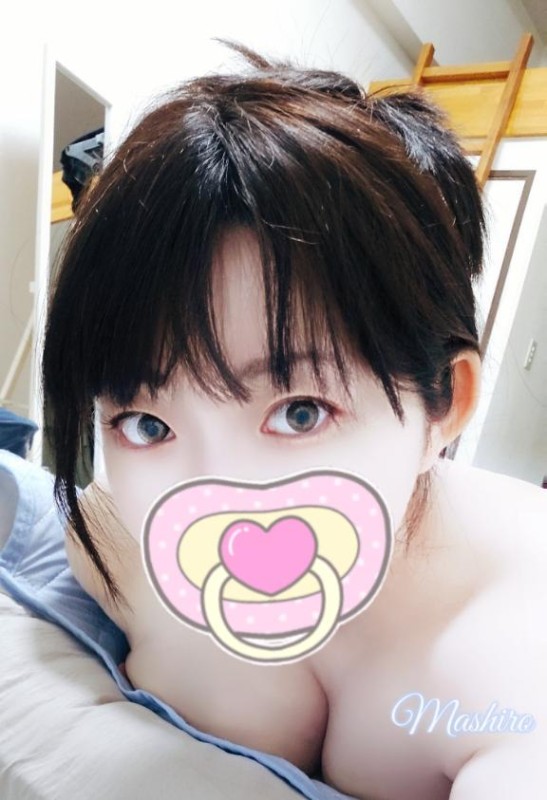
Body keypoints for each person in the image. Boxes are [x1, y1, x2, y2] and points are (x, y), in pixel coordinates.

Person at [41, 40, 547, 800]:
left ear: (444, 402)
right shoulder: (123, 526)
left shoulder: (511, 674)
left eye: (300, 413)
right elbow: (90, 523)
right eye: (147, 424)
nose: (215, 497)